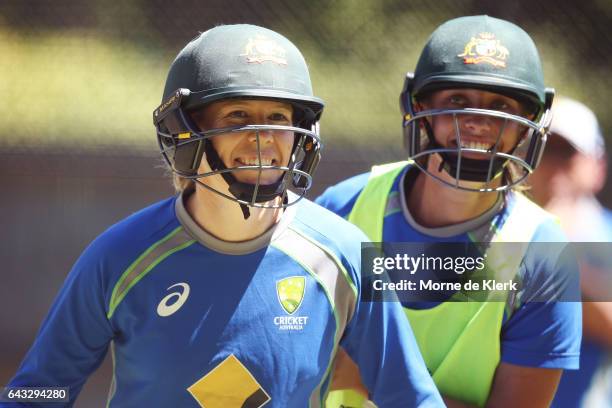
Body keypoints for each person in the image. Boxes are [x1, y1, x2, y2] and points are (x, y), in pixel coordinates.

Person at [3, 25, 443, 407]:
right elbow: (39, 391)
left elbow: (411, 396)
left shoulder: (341, 253)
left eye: (278, 117)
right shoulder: (119, 257)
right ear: (184, 132)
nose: (264, 137)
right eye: (238, 116)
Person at [318, 15, 582, 408]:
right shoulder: (345, 207)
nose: (477, 121)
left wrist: (377, 377)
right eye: (457, 100)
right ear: (420, 106)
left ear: (529, 122)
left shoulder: (542, 251)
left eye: (501, 105)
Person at [529, 96, 612, 408]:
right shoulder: (502, 236)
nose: (552, 165)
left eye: (566, 152)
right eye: (543, 150)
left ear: (597, 167)